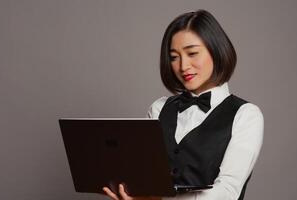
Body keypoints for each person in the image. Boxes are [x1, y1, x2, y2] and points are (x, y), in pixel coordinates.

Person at [103, 9, 264, 200]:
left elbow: (228, 191)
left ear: (216, 50)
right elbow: (149, 182)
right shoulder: (158, 109)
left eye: (192, 53)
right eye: (174, 57)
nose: (183, 66)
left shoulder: (246, 115)